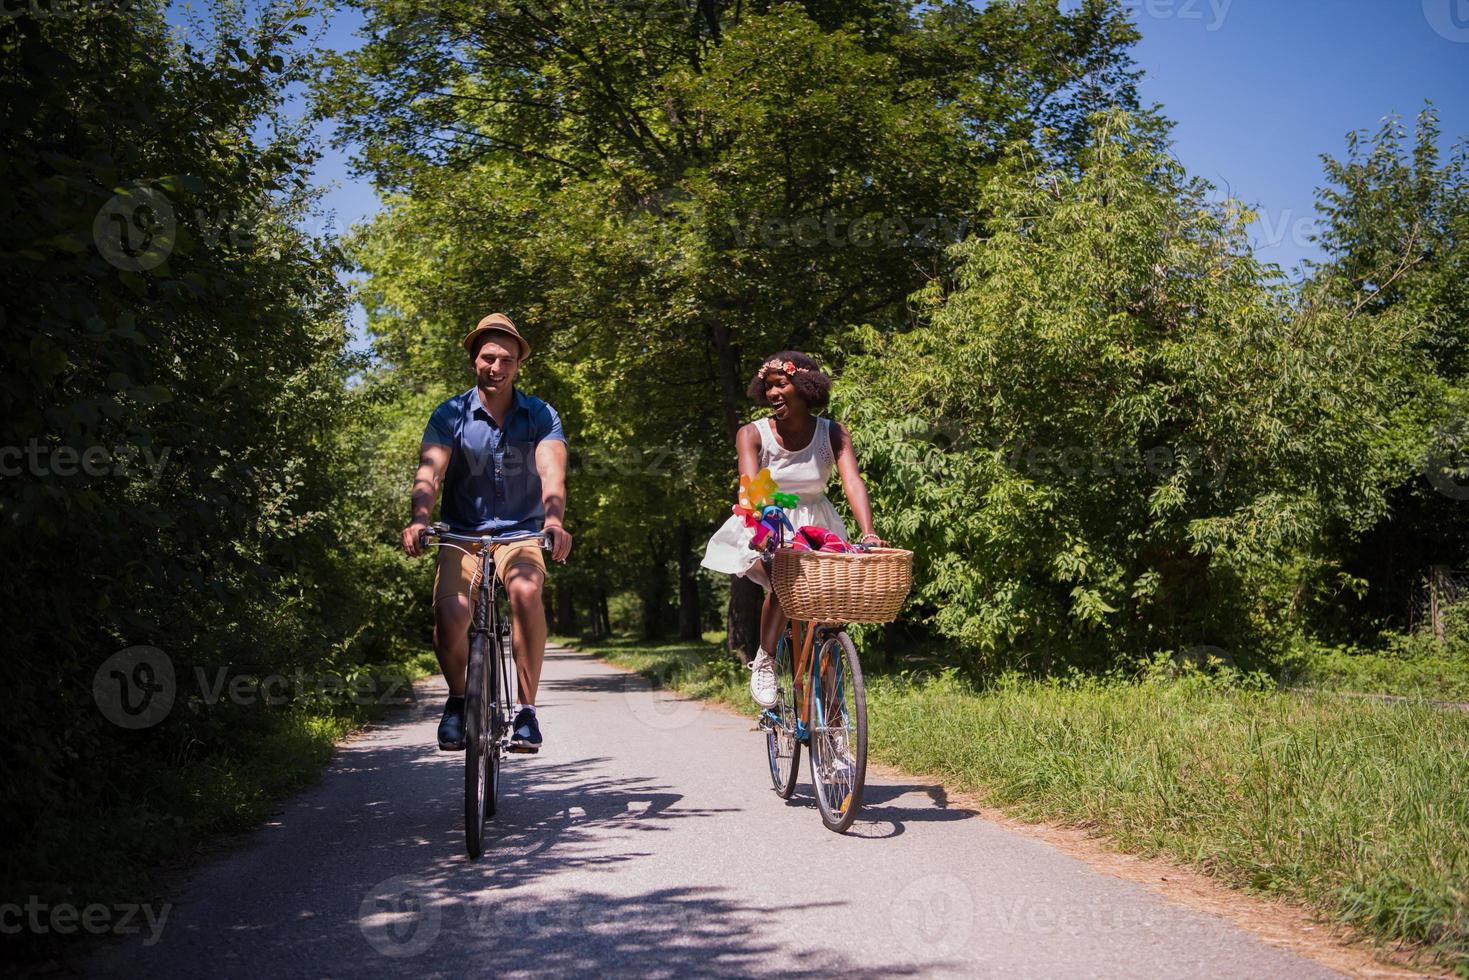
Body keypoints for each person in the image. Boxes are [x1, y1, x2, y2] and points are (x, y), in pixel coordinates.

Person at [400, 313, 573, 752]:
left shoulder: (540, 415)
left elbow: (552, 474)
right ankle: (459, 699)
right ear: (474, 359)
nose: (496, 367)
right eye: (488, 357)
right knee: (452, 614)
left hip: (521, 534)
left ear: (518, 365)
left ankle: (526, 711)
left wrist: (553, 522)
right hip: (461, 533)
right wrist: (420, 517)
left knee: (526, 591)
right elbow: (430, 473)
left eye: (506, 360)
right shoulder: (450, 414)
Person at [701, 351, 881, 708]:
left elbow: (853, 483)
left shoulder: (832, 433)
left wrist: (869, 532)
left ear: (804, 386)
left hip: (817, 525)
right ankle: (766, 660)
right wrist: (769, 527)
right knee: (786, 581)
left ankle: (832, 723)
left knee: (826, 614)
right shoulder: (752, 434)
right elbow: (751, 485)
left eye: (780, 384)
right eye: (768, 387)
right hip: (765, 521)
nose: (773, 393)